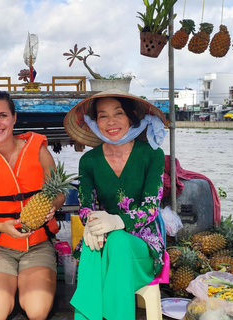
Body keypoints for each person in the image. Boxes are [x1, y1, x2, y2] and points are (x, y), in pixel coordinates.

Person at [63, 89, 168, 320]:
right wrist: (92, 224)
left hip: (143, 243)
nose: (111, 122)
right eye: (102, 115)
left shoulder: (152, 155)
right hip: (103, 236)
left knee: (118, 240)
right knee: (94, 243)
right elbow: (85, 206)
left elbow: (151, 207)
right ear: (94, 122)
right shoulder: (89, 161)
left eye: (118, 113)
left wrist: (117, 221)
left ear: (130, 117)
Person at [0, 90, 64, 320]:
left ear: (14, 118)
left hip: (38, 245)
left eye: (2, 115)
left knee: (37, 310)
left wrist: (53, 206)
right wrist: (2, 227)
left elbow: (58, 193)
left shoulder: (38, 149)